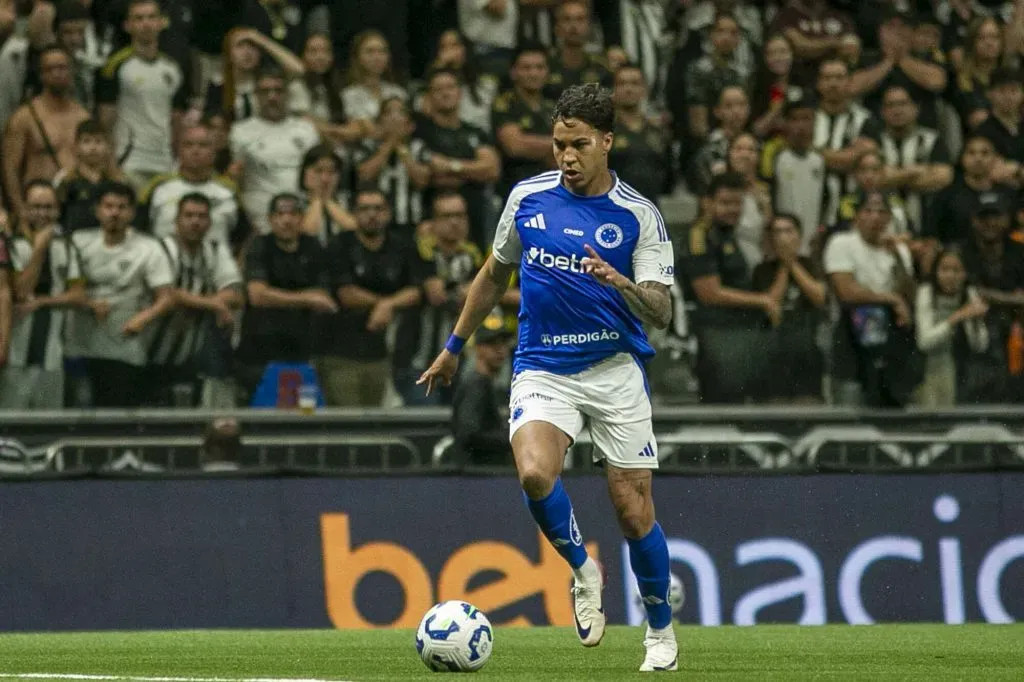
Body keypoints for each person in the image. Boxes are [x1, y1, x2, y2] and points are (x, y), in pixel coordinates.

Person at [419, 84, 679, 672]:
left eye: (579, 145)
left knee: (633, 510)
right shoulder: (528, 198)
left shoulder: (639, 215)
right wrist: (454, 345)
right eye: (559, 144)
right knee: (535, 474)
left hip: (614, 369)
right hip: (542, 366)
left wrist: (624, 286)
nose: (566, 156)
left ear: (606, 142)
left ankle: (660, 632)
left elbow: (662, 311)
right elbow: (493, 273)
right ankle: (583, 571)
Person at [66, 181, 175, 407]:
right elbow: (65, 290)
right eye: (109, 206)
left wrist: (143, 318)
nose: (114, 213)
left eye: (122, 207)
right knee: (78, 408)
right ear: (97, 210)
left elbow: (166, 297)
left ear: (132, 212)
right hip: (79, 341)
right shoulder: (78, 241)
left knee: (117, 409)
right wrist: (88, 303)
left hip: (125, 343)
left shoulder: (149, 247)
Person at [318, 187, 426, 408]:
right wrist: (384, 303)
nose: (372, 214)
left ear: (388, 212)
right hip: (341, 354)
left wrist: (387, 304)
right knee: (347, 423)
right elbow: (345, 294)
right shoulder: (340, 245)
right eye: (364, 209)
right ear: (354, 213)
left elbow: (417, 290)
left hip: (384, 356)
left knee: (375, 424)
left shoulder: (401, 245)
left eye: (378, 208)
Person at [680, 171, 778, 404]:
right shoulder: (700, 237)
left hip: (739, 334)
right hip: (714, 334)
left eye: (737, 203)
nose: (732, 209)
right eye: (725, 203)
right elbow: (709, 293)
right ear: (707, 202)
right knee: (721, 408)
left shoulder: (728, 235)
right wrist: (763, 301)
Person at [235, 193, 336, 402]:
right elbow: (258, 295)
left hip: (301, 351)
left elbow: (324, 297)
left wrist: (280, 297)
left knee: (302, 418)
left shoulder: (312, 246)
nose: (286, 220)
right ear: (271, 219)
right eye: (280, 214)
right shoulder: (260, 245)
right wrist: (306, 299)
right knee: (263, 419)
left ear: (301, 218)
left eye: (293, 214)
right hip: (260, 353)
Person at [147, 194, 243, 407]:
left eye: (201, 216)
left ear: (209, 222)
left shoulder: (216, 250)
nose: (195, 222)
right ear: (176, 221)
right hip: (147, 351)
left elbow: (235, 294)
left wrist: (208, 302)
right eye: (188, 215)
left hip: (188, 354)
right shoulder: (159, 249)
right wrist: (216, 304)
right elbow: (168, 295)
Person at [824, 189, 917, 407]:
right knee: (851, 407)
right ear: (857, 216)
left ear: (889, 218)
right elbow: (846, 291)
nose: (875, 217)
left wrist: (897, 256)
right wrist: (892, 299)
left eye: (881, 211)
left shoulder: (898, 250)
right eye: (868, 211)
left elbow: (910, 294)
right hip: (853, 332)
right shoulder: (842, 243)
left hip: (893, 336)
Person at [0, 181, 85, 409]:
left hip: (52, 357)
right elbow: (19, 291)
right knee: (11, 428)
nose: (42, 213)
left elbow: (78, 295)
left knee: (49, 428)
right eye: (36, 207)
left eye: (48, 207)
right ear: (24, 209)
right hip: (15, 356)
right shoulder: (10, 245)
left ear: (58, 210)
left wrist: (41, 302)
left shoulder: (66, 246)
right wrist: (38, 249)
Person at [395, 192, 482, 406]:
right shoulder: (418, 251)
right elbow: (437, 295)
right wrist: (463, 290)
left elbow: (476, 295)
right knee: (426, 425)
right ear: (432, 222)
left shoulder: (472, 254)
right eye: (447, 216)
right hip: (419, 358)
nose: (455, 222)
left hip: (461, 359)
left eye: (460, 216)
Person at [96, 0, 188, 190]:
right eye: (139, 18)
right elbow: (106, 122)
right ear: (127, 26)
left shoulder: (173, 68)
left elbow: (177, 120)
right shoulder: (115, 67)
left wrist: (179, 160)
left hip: (165, 162)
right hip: (130, 161)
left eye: (151, 17)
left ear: (161, 22)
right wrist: (111, 166)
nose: (146, 24)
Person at [228, 69, 321, 234]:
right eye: (265, 92)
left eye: (278, 91)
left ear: (287, 95)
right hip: (260, 216)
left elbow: (318, 173)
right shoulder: (240, 132)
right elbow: (237, 180)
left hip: (303, 212)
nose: (272, 97)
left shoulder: (306, 130)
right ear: (256, 96)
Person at [417, 67, 502, 247]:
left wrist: (450, 166)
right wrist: (472, 171)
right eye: (439, 89)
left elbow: (492, 170)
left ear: (460, 92)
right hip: (433, 217)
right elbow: (428, 177)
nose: (446, 93)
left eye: (450, 87)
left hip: (475, 216)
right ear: (429, 96)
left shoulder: (475, 132)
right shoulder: (420, 132)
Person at [2, 46, 90, 216]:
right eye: (50, 69)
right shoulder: (24, 117)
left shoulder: (83, 117)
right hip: (38, 206)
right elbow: (9, 170)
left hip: (75, 203)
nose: (57, 73)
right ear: (41, 75)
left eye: (62, 68)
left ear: (71, 71)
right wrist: (19, 211)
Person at [752, 214, 827, 403]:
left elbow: (819, 297)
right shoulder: (762, 270)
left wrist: (792, 262)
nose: (783, 237)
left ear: (799, 236)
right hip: (773, 350)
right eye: (777, 232)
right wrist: (784, 266)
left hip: (807, 348)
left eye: (788, 231)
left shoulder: (811, 265)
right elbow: (771, 303)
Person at [139, 123, 249, 250]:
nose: (195, 151)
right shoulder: (158, 186)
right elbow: (138, 232)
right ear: (179, 151)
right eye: (188, 145)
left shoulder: (228, 190)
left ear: (214, 152)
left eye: (203, 145)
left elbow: (243, 237)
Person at [914, 247, 990, 407]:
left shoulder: (969, 293)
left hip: (963, 369)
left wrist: (976, 321)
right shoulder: (926, 293)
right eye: (944, 269)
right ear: (936, 271)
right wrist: (956, 318)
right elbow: (924, 342)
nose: (950, 276)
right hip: (933, 369)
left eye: (956, 270)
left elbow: (980, 346)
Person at [813, 58, 881, 228]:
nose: (833, 84)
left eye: (839, 78)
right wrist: (849, 155)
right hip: (810, 201)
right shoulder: (806, 117)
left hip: (851, 207)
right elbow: (849, 159)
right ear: (818, 83)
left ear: (849, 82)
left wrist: (816, 152)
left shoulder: (866, 120)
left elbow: (861, 160)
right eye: (827, 78)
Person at [874, 85, 953, 232]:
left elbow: (944, 177)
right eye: (890, 105)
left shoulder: (932, 140)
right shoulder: (874, 142)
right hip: (882, 230)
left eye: (903, 104)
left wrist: (892, 178)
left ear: (916, 108)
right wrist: (915, 171)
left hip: (926, 228)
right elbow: (873, 180)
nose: (897, 110)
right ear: (882, 112)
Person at [352, 97, 431, 231]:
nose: (394, 117)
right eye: (388, 112)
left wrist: (400, 147)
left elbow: (422, 181)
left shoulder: (419, 147)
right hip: (374, 223)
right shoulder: (368, 146)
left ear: (410, 125)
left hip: (411, 222)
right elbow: (364, 176)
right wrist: (389, 143)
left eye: (400, 112)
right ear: (380, 122)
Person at [492, 43, 556, 197]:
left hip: (552, 190)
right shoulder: (505, 103)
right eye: (526, 68)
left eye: (539, 68)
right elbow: (515, 146)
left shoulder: (553, 107)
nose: (533, 73)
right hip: (516, 189)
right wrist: (558, 144)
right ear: (513, 72)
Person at [450, 314, 514, 466]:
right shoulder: (476, 385)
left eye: (503, 343)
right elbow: (469, 433)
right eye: (492, 343)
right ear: (477, 347)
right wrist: (512, 438)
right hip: (475, 476)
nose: (500, 349)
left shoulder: (489, 384)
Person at [929, 135, 1017, 245]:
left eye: (985, 153)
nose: (978, 158)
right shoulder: (947, 196)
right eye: (971, 153)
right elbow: (932, 235)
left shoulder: (1009, 194)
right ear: (962, 158)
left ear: (995, 158)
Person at [767, 96, 826, 254]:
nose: (801, 126)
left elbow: (828, 200)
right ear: (785, 123)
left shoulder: (820, 161)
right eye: (795, 119)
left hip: (812, 243)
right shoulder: (776, 157)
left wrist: (822, 230)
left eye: (806, 119)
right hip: (781, 243)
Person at [610, 64, 672, 203]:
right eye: (622, 84)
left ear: (644, 89)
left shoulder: (659, 132)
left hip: (650, 211)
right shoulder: (603, 132)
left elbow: (668, 179)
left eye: (635, 83)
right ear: (614, 90)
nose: (628, 89)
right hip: (612, 212)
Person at [685, 12, 749, 141]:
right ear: (711, 36)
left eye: (733, 33)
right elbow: (698, 125)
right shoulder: (699, 70)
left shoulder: (741, 72)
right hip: (707, 142)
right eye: (721, 31)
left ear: (739, 39)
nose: (727, 38)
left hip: (737, 141)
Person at [56, 119, 124, 233]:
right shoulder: (66, 178)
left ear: (108, 147)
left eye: (98, 141)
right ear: (76, 146)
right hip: (74, 237)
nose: (93, 147)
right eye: (86, 141)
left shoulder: (117, 180)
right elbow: (57, 212)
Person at [688, 84, 751, 195]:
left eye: (741, 105)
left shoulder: (755, 144)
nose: (736, 111)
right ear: (717, 111)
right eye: (729, 106)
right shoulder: (709, 150)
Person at [544, 0, 612, 101]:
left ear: (589, 26)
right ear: (557, 27)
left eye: (580, 19)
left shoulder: (602, 67)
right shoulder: (544, 66)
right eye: (567, 19)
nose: (573, 26)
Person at [341, 30, 408, 123]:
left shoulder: (398, 93)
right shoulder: (348, 95)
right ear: (357, 57)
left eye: (382, 51)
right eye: (370, 52)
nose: (377, 57)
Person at [299, 144, 356, 245]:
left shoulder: (349, 200)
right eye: (318, 171)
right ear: (305, 173)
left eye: (331, 172)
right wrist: (317, 200)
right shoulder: (296, 202)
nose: (325, 179)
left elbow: (356, 230)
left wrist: (328, 201)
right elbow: (307, 233)